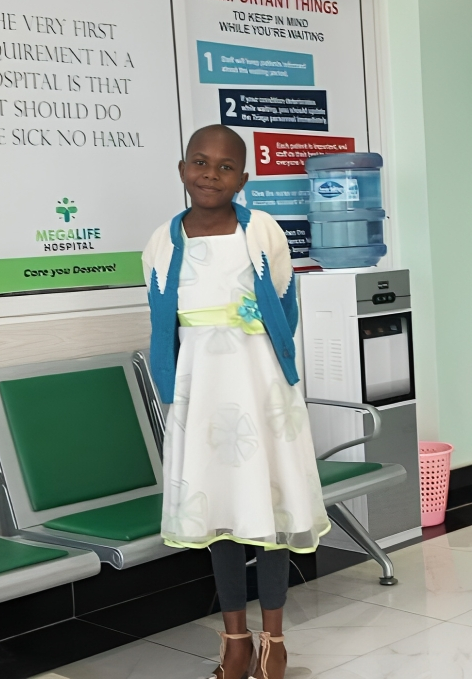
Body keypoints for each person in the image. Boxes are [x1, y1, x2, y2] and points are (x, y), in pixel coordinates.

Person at [142, 125, 330, 679]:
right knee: (218, 512)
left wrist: (263, 357)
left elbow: (283, 305)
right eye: (200, 162)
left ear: (243, 179)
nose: (211, 174)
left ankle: (273, 640)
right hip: (200, 391)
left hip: (259, 387)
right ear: (182, 169)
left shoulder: (262, 232)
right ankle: (235, 640)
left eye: (225, 167)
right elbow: (162, 324)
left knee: (265, 509)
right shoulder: (162, 242)